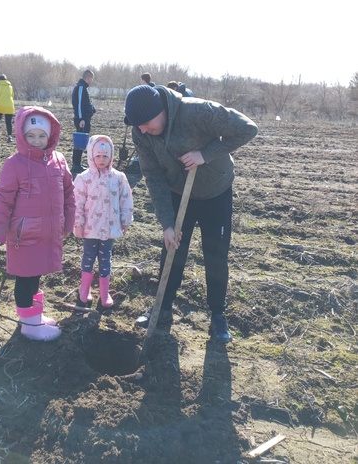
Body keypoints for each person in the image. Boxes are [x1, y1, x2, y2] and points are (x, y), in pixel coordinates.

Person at [124, 84, 258, 342]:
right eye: (137, 125)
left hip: (216, 191)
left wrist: (205, 154)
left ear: (161, 109)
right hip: (176, 190)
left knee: (215, 254)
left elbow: (247, 129)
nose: (141, 129)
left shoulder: (197, 112)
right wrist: (166, 223)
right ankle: (162, 307)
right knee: (172, 250)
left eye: (145, 123)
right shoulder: (141, 133)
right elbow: (152, 176)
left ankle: (218, 315)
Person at [0, 106, 76, 341]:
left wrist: (67, 223)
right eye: (31, 135)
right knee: (25, 278)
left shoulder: (58, 160)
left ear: (50, 136)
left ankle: (34, 318)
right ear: (21, 136)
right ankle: (30, 326)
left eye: (41, 136)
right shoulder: (14, 164)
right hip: (23, 236)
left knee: (36, 275)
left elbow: (69, 193)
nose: (37, 141)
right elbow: (3, 201)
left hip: (48, 233)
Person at [73, 135, 133, 308]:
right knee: (88, 257)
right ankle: (84, 289)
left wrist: (125, 221)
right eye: (98, 156)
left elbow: (125, 200)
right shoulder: (83, 179)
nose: (101, 160)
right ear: (91, 156)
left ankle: (104, 293)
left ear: (111, 156)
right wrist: (78, 224)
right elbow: (77, 203)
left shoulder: (119, 178)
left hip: (110, 228)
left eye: (105, 156)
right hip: (90, 229)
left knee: (106, 259)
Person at [71, 70, 96, 173]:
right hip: (82, 120)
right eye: (92, 78)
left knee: (81, 142)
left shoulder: (83, 87)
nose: (92, 80)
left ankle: (78, 163)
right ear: (88, 77)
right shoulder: (81, 87)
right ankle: (76, 165)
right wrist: (81, 119)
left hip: (84, 119)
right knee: (80, 141)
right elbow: (80, 105)